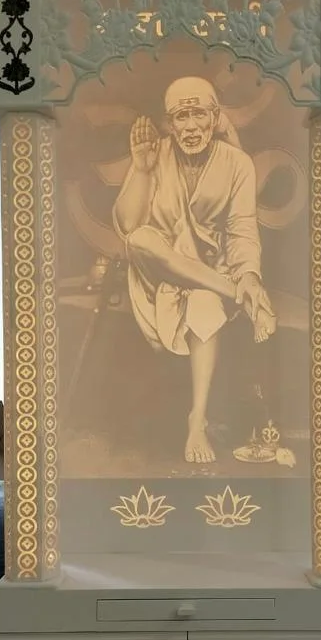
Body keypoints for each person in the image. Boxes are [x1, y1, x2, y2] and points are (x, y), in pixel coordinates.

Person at [113, 76, 276, 465]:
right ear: (169, 123)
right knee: (141, 240)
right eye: (180, 117)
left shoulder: (238, 164)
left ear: (215, 116)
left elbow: (242, 230)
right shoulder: (155, 154)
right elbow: (127, 224)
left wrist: (249, 274)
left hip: (208, 272)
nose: (189, 126)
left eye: (198, 114)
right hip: (158, 275)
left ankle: (196, 420)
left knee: (204, 302)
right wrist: (141, 170)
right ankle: (235, 292)